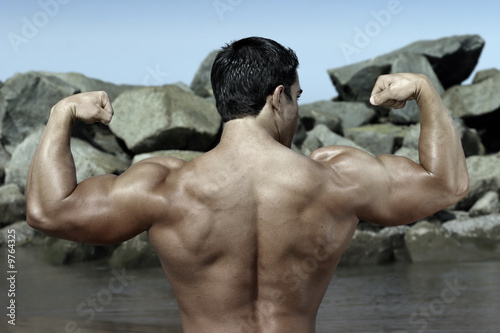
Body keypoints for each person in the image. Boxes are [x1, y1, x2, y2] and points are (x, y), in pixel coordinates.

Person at [26, 37, 469, 332]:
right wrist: (424, 91)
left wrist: (61, 113)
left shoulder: (165, 185)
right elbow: (447, 185)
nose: (296, 109)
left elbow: (48, 210)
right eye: (296, 97)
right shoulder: (337, 179)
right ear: (277, 97)